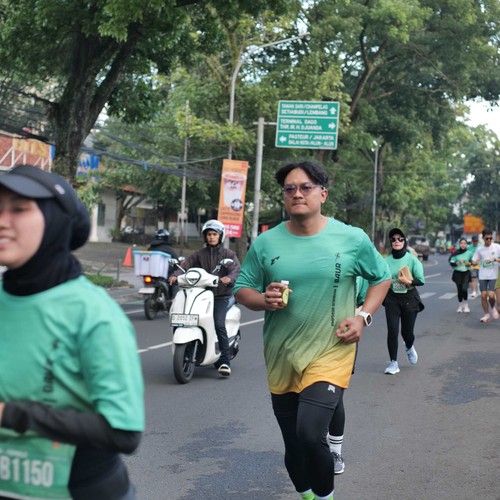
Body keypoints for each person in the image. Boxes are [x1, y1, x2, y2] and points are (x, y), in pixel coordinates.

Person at [233, 161, 391, 500]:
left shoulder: (351, 238)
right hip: (282, 355)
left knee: (309, 433)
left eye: (305, 187)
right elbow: (242, 289)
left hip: (331, 351)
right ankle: (307, 496)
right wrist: (263, 299)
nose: (297, 194)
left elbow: (382, 278)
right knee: (293, 442)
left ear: (323, 194)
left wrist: (363, 317)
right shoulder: (266, 242)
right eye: (289, 188)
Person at [0, 165, 144, 499]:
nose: (3, 220)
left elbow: (123, 432)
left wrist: (12, 415)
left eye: (19, 209)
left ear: (55, 222)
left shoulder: (93, 312)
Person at [169, 219, 240, 377]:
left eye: (214, 234)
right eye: (209, 234)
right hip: (200, 294)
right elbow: (185, 266)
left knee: (218, 323)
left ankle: (224, 361)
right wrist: (175, 275)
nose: (211, 237)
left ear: (220, 236)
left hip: (220, 296)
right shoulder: (199, 254)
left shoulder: (228, 254)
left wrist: (229, 279)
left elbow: (235, 269)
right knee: (184, 317)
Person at [326, 275, 368, 476]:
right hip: (306, 339)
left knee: (335, 396)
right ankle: (313, 445)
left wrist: (359, 318)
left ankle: (335, 452)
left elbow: (365, 303)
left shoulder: (356, 269)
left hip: (341, 341)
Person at [383, 228, 425, 375]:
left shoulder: (412, 260)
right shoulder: (385, 261)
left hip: (409, 298)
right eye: (393, 239)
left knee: (407, 333)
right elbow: (381, 278)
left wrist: (408, 281)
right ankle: (393, 363)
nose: (397, 241)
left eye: (400, 239)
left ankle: (409, 346)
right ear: (390, 242)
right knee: (392, 330)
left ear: (405, 241)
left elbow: (421, 280)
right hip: (392, 298)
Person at [472, 228, 500, 323]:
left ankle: (493, 308)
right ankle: (486, 314)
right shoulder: (479, 249)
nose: (489, 240)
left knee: (491, 295)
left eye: (490, 238)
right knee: (483, 295)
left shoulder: (497, 247)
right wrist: (476, 261)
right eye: (487, 238)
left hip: (494, 275)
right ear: (483, 238)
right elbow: (474, 261)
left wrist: (494, 259)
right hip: (483, 275)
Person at [148, 228, 179, 298]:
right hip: (165, 276)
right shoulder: (169, 249)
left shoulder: (150, 248)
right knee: (175, 281)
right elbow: (176, 262)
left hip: (151, 274)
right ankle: (174, 299)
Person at [449, 238, 474, 313]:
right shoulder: (456, 253)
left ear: (466, 245)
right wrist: (457, 262)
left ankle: (466, 305)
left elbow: (473, 262)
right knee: (459, 290)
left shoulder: (469, 253)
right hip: (457, 273)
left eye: (464, 243)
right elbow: (451, 263)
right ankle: (460, 305)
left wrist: (469, 263)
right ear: (459, 244)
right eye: (461, 243)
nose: (463, 245)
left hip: (466, 272)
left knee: (464, 289)